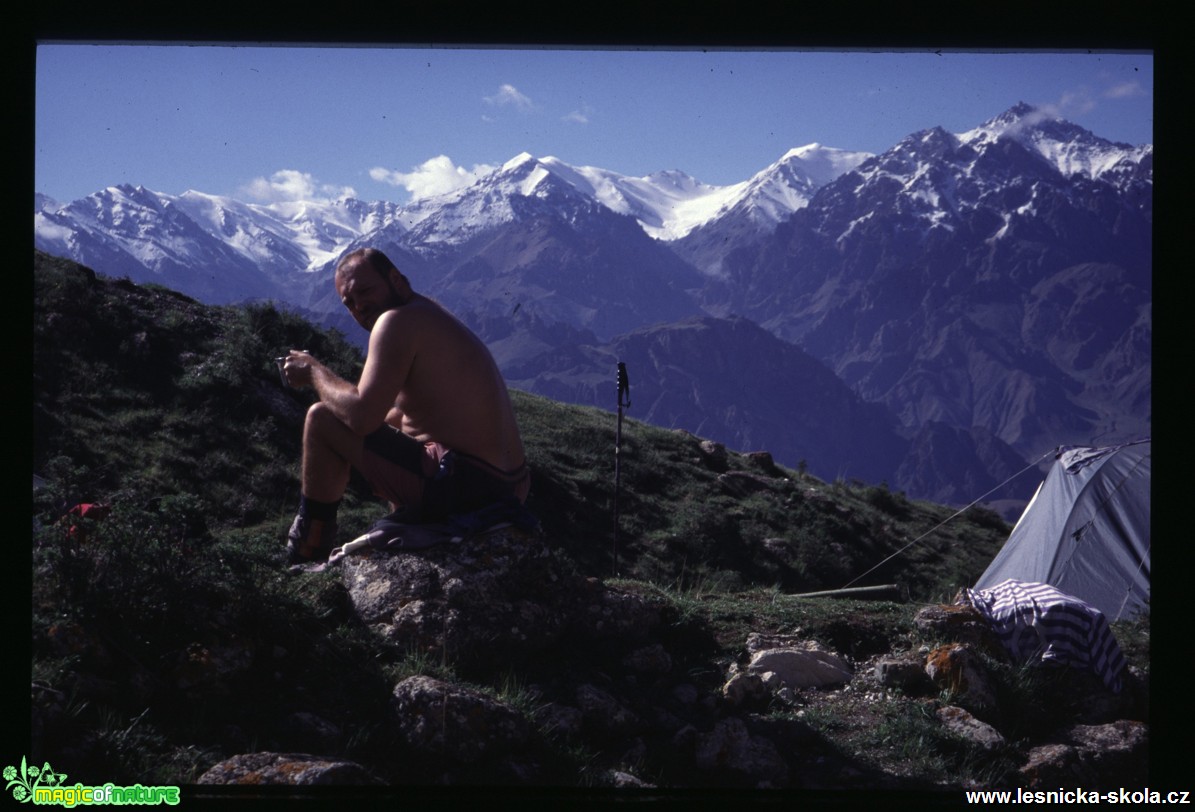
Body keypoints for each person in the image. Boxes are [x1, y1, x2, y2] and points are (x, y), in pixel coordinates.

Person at [280, 247, 529, 563]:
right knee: (396, 422)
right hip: (509, 486)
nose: (360, 307)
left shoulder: (396, 321)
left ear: (395, 279)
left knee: (321, 419)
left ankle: (305, 552)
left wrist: (314, 372)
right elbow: (400, 415)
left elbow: (361, 418)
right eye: (350, 303)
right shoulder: (428, 314)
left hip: (468, 486)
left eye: (366, 291)